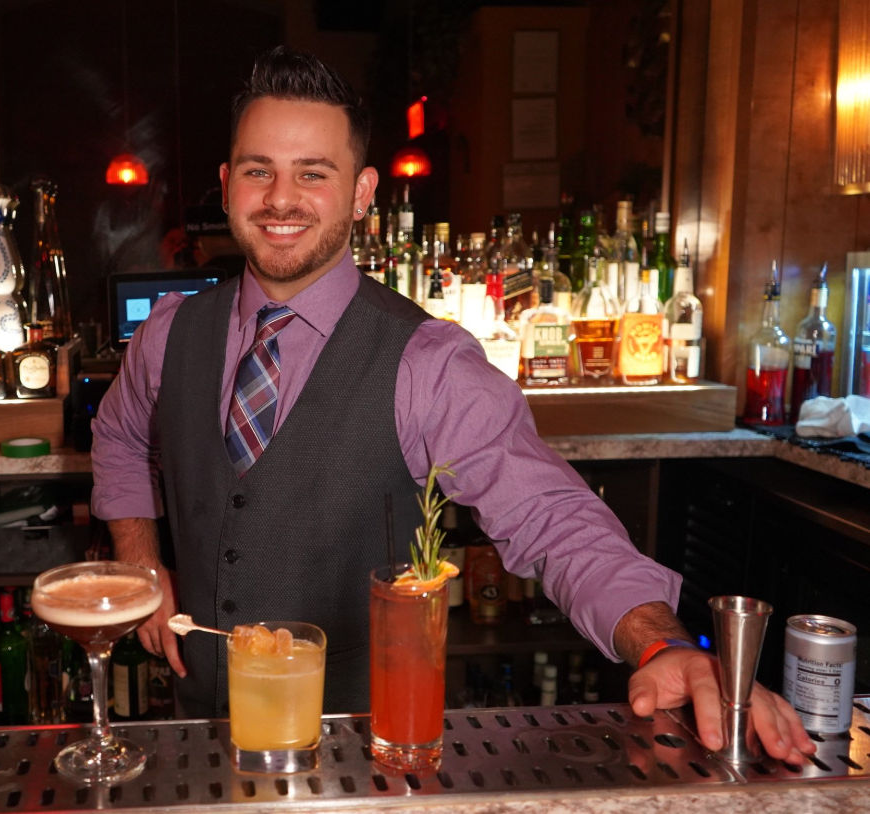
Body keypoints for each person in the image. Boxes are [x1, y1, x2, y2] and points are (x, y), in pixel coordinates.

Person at [91, 46, 813, 764]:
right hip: (195, 740)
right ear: (226, 184)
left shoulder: (428, 362)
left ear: (363, 191)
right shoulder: (169, 333)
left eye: (314, 173)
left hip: (363, 752)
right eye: (259, 171)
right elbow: (119, 438)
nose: (281, 199)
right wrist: (145, 566)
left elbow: (549, 516)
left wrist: (661, 641)